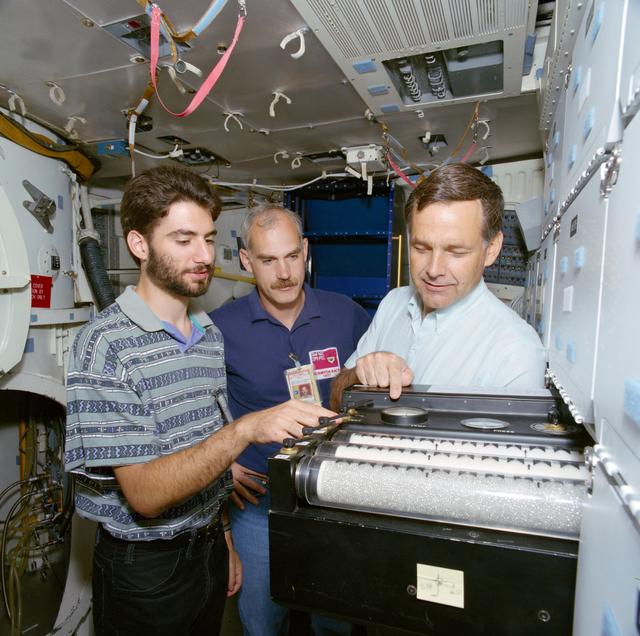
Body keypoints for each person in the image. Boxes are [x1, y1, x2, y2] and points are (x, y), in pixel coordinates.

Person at [64, 167, 335, 636]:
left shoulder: (207, 334)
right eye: (184, 240)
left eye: (208, 239)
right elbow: (146, 495)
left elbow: (204, 451)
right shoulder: (103, 344)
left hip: (207, 548)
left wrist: (223, 536)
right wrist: (246, 429)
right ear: (139, 245)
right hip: (145, 568)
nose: (205, 256)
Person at [211, 204, 371, 636]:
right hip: (258, 503)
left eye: (291, 257)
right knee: (262, 622)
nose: (283, 272)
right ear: (247, 260)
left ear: (305, 252)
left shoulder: (348, 315)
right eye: (267, 260)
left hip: (334, 498)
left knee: (335, 621)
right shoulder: (218, 328)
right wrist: (220, 461)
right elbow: (197, 409)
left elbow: (374, 391)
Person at [330, 162, 546, 408]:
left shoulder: (516, 351)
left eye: (456, 252)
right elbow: (336, 399)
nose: (433, 270)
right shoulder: (393, 302)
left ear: (492, 249)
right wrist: (359, 373)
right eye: (421, 248)